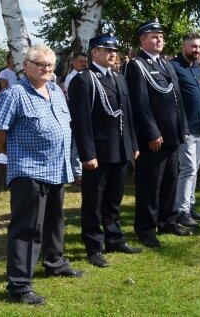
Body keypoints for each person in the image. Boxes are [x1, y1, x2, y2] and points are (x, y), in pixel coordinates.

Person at [0, 44, 84, 306]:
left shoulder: (55, 90)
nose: (46, 68)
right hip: (29, 170)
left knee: (55, 221)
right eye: (40, 64)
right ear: (26, 65)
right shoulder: (15, 94)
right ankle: (19, 285)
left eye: (50, 64)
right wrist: (18, 154)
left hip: (57, 168)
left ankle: (55, 262)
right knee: (27, 228)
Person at [68, 34, 141, 268]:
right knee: (93, 200)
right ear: (94, 53)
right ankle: (93, 246)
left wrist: (133, 145)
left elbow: (128, 115)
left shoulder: (119, 77)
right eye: (105, 50)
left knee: (114, 198)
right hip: (98, 151)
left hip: (120, 149)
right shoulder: (84, 79)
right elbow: (80, 121)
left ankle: (114, 237)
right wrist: (87, 154)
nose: (112, 54)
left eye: (114, 50)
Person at [126, 19, 192, 246]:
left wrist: (183, 127)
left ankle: (167, 221)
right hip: (153, 139)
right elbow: (139, 103)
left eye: (161, 36)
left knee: (170, 181)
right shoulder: (136, 66)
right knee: (149, 185)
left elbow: (177, 99)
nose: (159, 39)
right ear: (142, 40)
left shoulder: (166, 64)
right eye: (154, 36)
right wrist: (152, 133)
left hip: (172, 134)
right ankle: (145, 229)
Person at [170, 33, 200, 228]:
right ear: (183, 46)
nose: (197, 50)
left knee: (194, 169)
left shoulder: (198, 69)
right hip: (185, 130)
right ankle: (181, 211)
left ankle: (190, 205)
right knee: (188, 169)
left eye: (199, 47)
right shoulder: (174, 68)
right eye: (193, 46)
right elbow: (173, 102)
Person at [63, 52, 89, 186]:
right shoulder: (71, 78)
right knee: (76, 145)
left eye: (86, 61)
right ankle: (77, 173)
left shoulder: (86, 75)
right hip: (75, 115)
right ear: (73, 63)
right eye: (81, 62)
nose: (84, 64)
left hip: (84, 115)